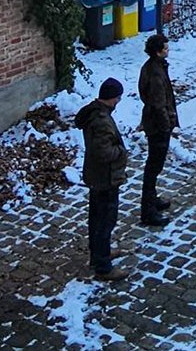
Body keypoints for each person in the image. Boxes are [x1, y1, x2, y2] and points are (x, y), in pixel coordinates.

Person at [75, 77, 130, 280]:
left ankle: (99, 253)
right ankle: (103, 266)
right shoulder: (102, 121)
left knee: (97, 218)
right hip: (105, 177)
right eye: (117, 98)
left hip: (97, 175)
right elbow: (104, 152)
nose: (118, 102)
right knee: (105, 220)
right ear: (112, 98)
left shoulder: (94, 113)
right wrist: (121, 152)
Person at [136, 32, 178, 226]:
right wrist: (166, 125)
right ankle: (148, 211)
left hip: (156, 122)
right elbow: (158, 103)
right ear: (158, 51)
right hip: (157, 126)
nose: (168, 51)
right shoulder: (155, 73)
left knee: (155, 166)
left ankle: (152, 200)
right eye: (166, 48)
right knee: (153, 167)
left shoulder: (155, 67)